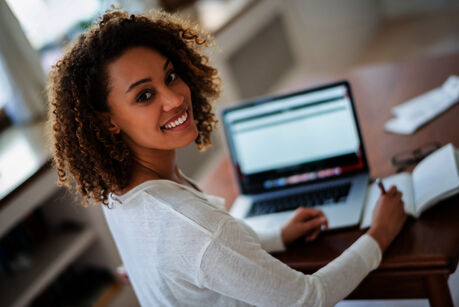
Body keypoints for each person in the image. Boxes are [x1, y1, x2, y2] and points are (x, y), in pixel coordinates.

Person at [48, 9, 407, 307]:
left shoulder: (118, 193)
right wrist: (379, 235)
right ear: (106, 121)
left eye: (170, 76)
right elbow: (309, 298)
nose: (174, 99)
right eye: (144, 96)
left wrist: (277, 236)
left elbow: (200, 261)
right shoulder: (194, 228)